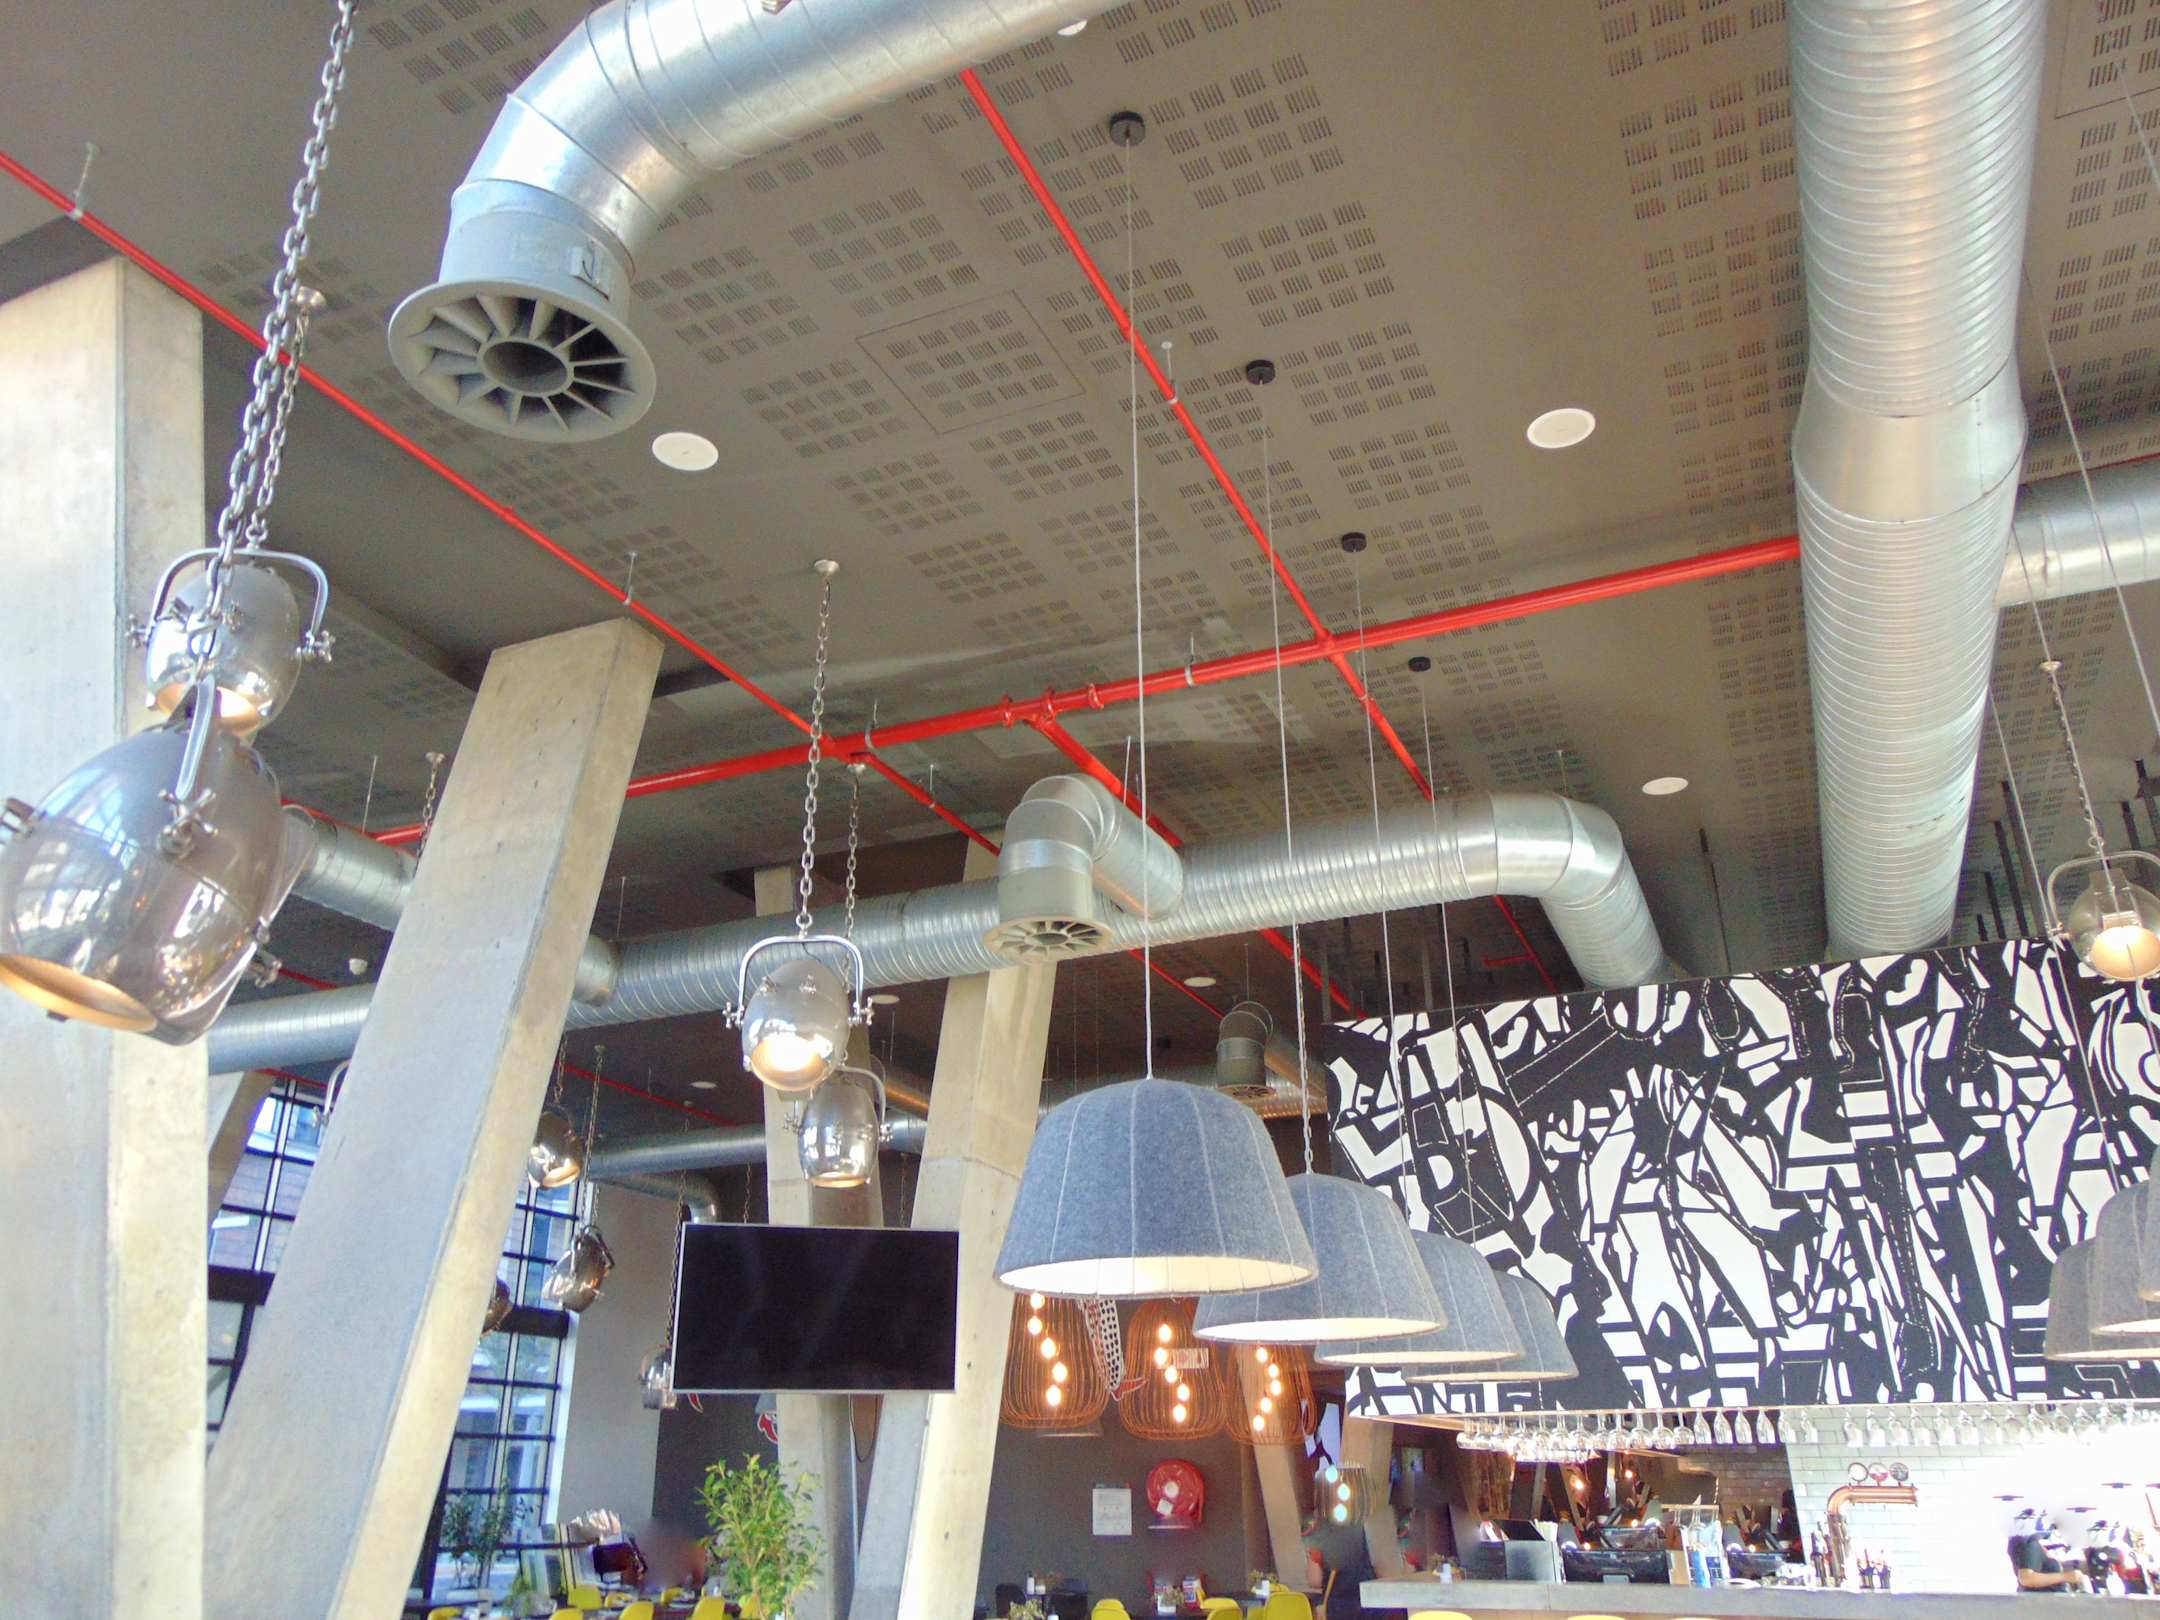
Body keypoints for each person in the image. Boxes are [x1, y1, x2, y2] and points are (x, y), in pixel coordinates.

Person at [2008, 1510, 2091, 1593]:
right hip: (2042, 1599)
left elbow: (2043, 1567)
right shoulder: (2030, 1544)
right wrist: (2065, 1576)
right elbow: (2027, 1579)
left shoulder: (2031, 1545)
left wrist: (2076, 1565)